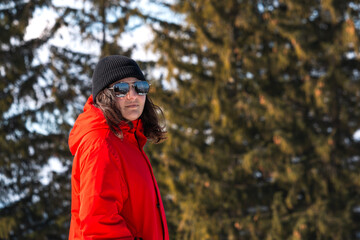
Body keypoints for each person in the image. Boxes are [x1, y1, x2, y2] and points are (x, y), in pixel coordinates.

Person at [68, 55, 169, 240]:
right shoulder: (101, 144)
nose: (132, 95)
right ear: (104, 96)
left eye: (140, 87)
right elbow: (99, 227)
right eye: (121, 89)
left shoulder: (129, 141)